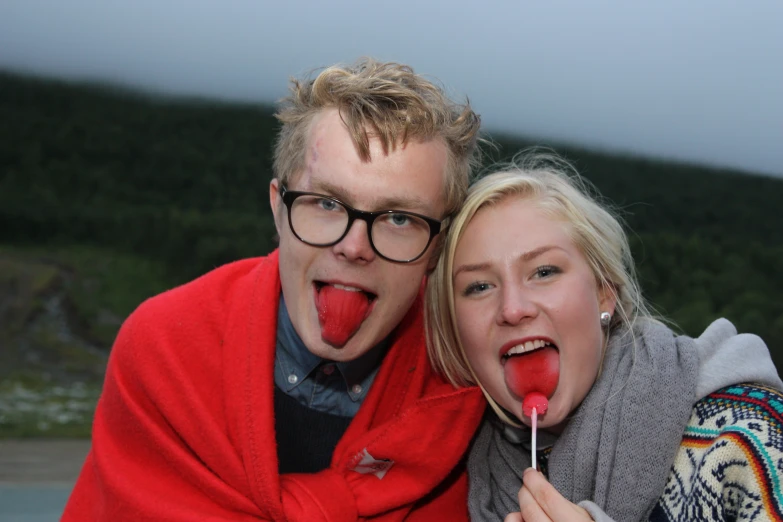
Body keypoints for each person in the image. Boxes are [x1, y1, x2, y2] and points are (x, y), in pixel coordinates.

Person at [63, 58, 487, 521]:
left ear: (437, 247)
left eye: (399, 218)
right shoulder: (163, 347)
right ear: (277, 208)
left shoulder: (468, 385)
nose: (353, 246)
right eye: (326, 203)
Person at [425, 153, 783, 522]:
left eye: (544, 271)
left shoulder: (746, 438)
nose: (513, 309)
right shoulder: (457, 476)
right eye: (479, 286)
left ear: (604, 293)